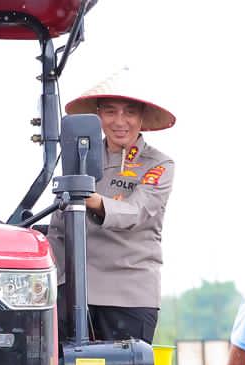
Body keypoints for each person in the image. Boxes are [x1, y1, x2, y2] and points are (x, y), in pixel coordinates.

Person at [46, 69, 175, 343]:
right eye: (110, 112)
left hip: (128, 293)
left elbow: (136, 211)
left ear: (141, 117)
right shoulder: (75, 158)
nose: (120, 122)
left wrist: (91, 200)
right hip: (71, 294)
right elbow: (58, 227)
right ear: (97, 116)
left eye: (129, 112)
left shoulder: (159, 164)